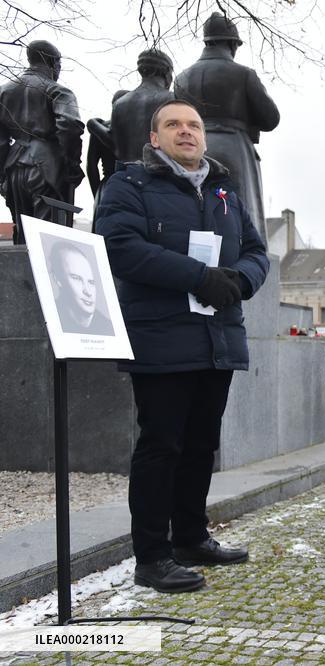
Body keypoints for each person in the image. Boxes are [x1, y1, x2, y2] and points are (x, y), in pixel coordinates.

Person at [95, 99, 269, 593]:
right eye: (173, 124)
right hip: (160, 335)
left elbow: (257, 251)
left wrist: (239, 280)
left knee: (200, 446)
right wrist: (200, 278)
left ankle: (191, 538)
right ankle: (151, 556)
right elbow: (119, 247)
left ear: (204, 137)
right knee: (161, 446)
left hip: (218, 336)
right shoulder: (129, 184)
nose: (186, 131)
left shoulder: (223, 189)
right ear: (155, 138)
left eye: (193, 125)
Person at [174, 12, 280, 237]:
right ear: (233, 44)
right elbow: (271, 119)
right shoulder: (244, 75)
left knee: (193, 209)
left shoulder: (181, 78)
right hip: (234, 147)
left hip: (191, 146)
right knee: (240, 214)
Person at [0, 40, 84, 242]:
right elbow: (71, 124)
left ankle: (23, 274)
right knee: (49, 237)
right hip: (47, 166)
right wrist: (71, 163)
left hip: (14, 166)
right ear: (53, 63)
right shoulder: (57, 91)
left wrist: (2, 173)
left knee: (23, 235)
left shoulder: (4, 91)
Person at [49, 241, 114, 336]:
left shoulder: (109, 328)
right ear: (58, 279)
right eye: (77, 279)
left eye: (91, 282)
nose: (88, 292)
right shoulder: (48, 319)